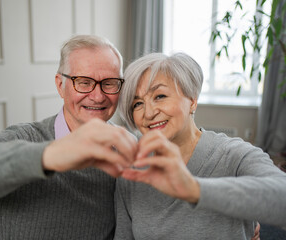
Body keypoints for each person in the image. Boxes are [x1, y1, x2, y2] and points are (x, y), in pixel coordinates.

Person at [0, 35, 137, 240]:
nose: (98, 96)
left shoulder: (127, 145)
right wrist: (49, 156)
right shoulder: (23, 138)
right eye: (83, 82)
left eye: (109, 83)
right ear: (60, 85)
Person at [114, 52, 286, 239]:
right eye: (137, 103)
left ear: (192, 100)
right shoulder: (132, 169)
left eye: (160, 96)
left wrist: (193, 189)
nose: (148, 113)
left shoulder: (234, 155)